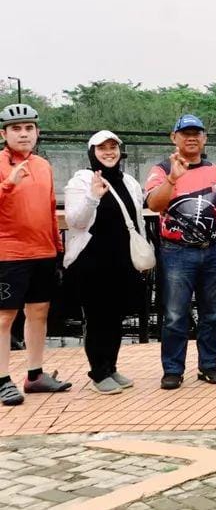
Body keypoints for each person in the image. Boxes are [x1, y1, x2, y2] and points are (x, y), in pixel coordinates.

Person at [146, 114, 216, 390]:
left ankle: (209, 364)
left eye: (197, 133)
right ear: (174, 138)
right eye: (185, 133)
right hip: (177, 252)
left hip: (214, 251)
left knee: (213, 313)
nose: (191, 138)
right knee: (174, 314)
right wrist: (172, 179)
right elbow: (155, 204)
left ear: (204, 138)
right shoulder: (161, 169)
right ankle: (172, 368)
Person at [63, 131, 146, 394]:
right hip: (92, 261)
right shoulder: (81, 180)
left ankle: (111, 366)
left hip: (121, 261)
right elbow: (74, 221)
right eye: (102, 148)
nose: (108, 152)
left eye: (113, 147)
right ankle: (98, 372)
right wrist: (93, 196)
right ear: (92, 152)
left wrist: (143, 252)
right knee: (98, 318)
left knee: (115, 317)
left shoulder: (129, 181)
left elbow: (138, 220)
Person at [0, 104, 71, 406]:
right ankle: (2, 379)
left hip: (42, 250)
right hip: (8, 252)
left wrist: (58, 247)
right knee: (4, 317)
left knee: (39, 312)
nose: (24, 133)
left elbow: (51, 207)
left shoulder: (43, 165)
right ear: (4, 134)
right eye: (16, 128)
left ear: (37, 132)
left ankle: (35, 375)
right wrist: (8, 183)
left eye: (29, 128)